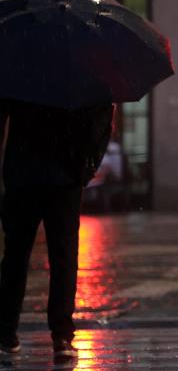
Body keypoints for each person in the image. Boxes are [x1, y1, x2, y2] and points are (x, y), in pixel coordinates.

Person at [0, 100, 113, 360]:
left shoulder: (18, 69)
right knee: (62, 257)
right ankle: (61, 336)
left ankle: (6, 332)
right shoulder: (78, 71)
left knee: (15, 256)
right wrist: (85, 167)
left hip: (23, 174)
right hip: (63, 175)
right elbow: (100, 116)